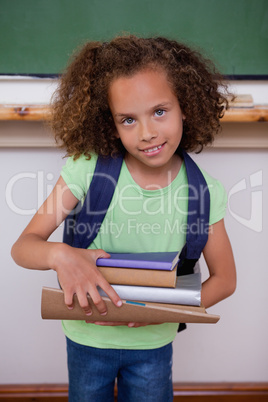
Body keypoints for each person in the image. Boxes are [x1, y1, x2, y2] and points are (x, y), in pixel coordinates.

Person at [11, 35, 236, 402]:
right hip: (87, 339)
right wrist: (59, 255)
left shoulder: (205, 192)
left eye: (159, 111)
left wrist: (163, 312)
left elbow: (225, 280)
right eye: (128, 119)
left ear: (186, 108)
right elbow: (23, 247)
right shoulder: (86, 171)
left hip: (153, 345)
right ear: (110, 124)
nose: (146, 133)